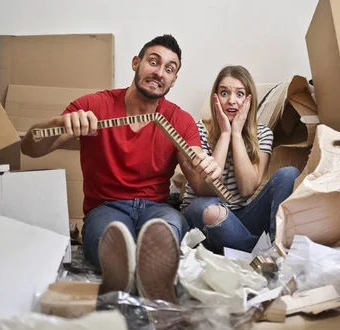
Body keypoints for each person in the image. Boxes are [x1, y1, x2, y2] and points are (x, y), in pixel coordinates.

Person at [21, 35, 222, 303]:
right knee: (111, 237)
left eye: (169, 69)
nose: (159, 72)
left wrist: (208, 168)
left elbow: (199, 185)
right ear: (136, 63)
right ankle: (131, 277)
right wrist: (61, 122)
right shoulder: (94, 106)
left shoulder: (180, 120)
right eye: (153, 61)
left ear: (173, 81)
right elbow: (30, 148)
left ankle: (155, 274)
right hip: (106, 207)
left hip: (156, 207)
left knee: (170, 225)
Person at [180, 65, 300, 253]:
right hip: (205, 216)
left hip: (240, 218)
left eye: (240, 94)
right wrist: (225, 134)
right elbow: (205, 188)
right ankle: (261, 251)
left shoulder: (262, 133)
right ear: (215, 98)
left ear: (249, 100)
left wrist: (236, 134)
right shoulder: (197, 130)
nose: (231, 101)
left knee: (289, 174)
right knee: (208, 208)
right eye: (224, 93)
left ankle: (273, 246)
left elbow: (246, 189)